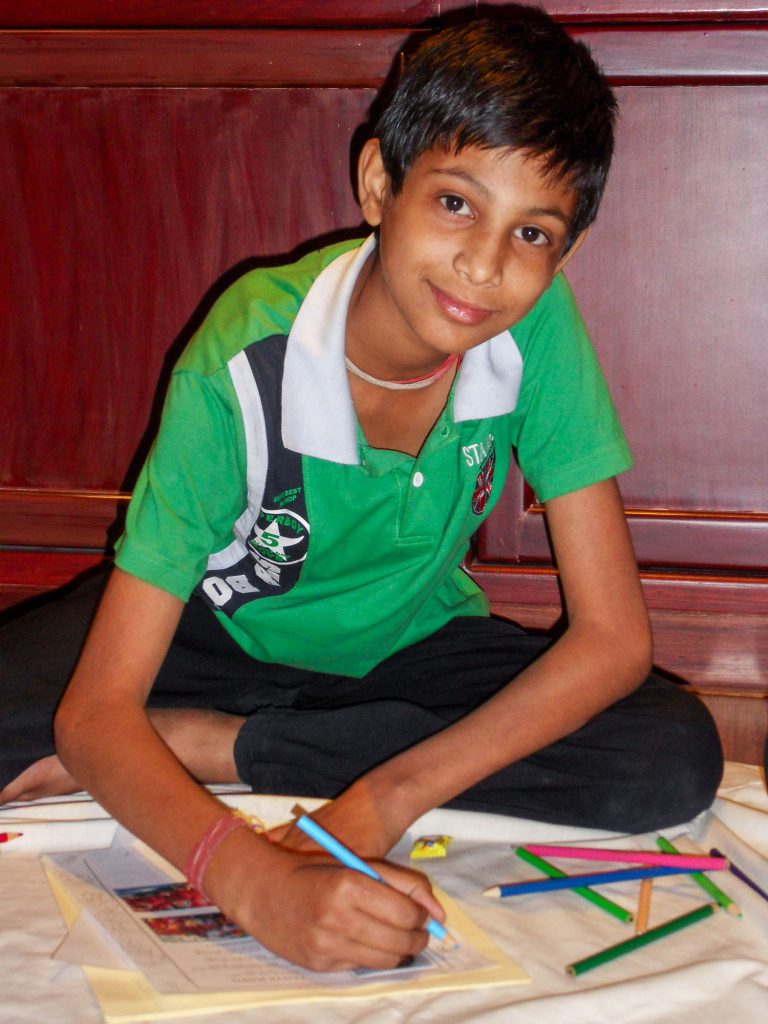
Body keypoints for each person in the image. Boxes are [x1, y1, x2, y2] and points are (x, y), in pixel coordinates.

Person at [0, 7, 722, 972]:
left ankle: (223, 746)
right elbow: (95, 711)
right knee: (52, 724)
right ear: (381, 183)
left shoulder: (537, 326)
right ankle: (261, 736)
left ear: (566, 253)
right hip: (212, 632)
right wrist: (252, 881)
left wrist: (381, 801)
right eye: (456, 203)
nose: (484, 265)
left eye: (532, 233)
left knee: (667, 756)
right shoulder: (246, 355)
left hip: (409, 644)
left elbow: (614, 639)